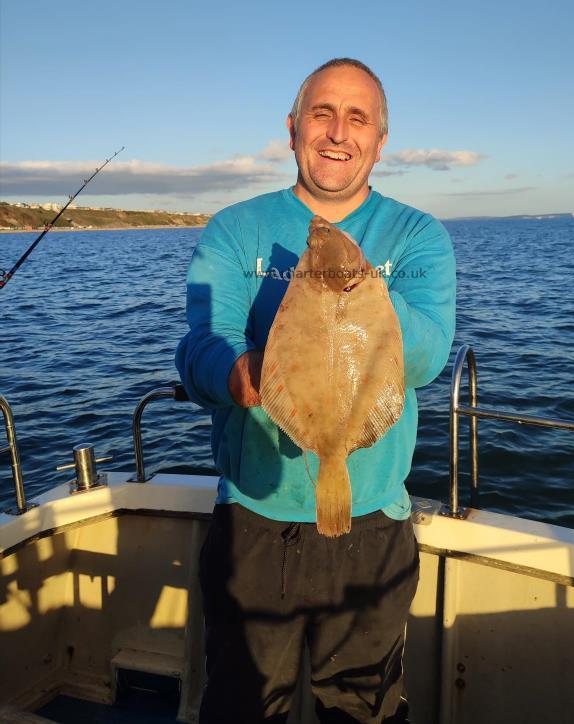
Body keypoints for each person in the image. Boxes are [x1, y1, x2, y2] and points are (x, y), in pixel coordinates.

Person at [176, 58, 456, 723]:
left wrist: (364, 294)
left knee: (364, 709)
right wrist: (234, 374)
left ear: (379, 140)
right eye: (321, 113)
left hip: (373, 525)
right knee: (243, 704)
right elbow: (199, 344)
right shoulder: (235, 228)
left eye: (356, 117)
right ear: (293, 127)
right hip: (254, 516)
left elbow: (425, 357)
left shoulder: (418, 236)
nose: (336, 132)